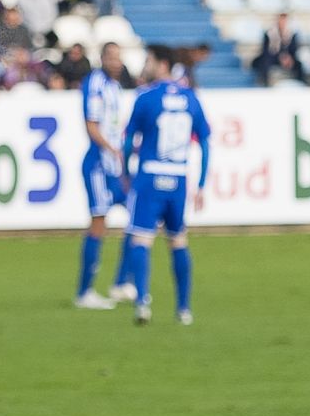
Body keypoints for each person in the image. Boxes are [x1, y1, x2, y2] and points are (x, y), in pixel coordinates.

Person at [120, 45, 210, 326]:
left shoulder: (146, 98)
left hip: (150, 175)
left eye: (149, 60)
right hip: (178, 178)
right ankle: (183, 309)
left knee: (140, 239)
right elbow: (205, 141)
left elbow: (127, 140)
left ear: (162, 64)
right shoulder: (190, 97)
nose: (146, 65)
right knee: (178, 241)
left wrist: (125, 172)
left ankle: (143, 302)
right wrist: (202, 182)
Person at [76, 42, 130, 310]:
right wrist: (113, 150)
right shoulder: (95, 83)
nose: (116, 62)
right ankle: (85, 292)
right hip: (98, 165)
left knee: (138, 214)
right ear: (102, 59)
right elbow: (92, 126)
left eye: (119, 57)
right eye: (111, 57)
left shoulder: (115, 86)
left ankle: (120, 283)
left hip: (113, 167)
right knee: (99, 222)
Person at [252, 13, 304, 84]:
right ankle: (265, 83)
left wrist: (288, 58)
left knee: (299, 64)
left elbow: (294, 49)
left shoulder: (291, 34)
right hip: (273, 57)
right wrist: (280, 57)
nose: (283, 23)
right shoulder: (269, 34)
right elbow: (266, 50)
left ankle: (300, 83)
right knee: (264, 62)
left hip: (288, 58)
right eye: (281, 21)